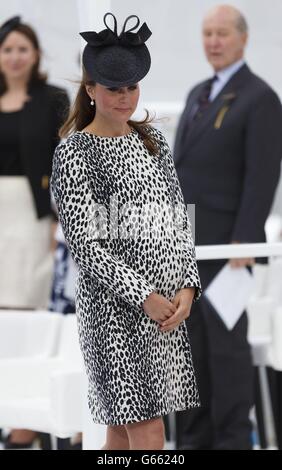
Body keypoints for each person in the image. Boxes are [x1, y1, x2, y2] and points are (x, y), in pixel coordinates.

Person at [51, 13, 201, 450]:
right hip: (115, 314)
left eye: (131, 87)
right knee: (149, 430)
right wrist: (144, 296)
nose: (124, 98)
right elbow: (87, 246)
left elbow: (178, 220)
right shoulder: (75, 152)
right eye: (114, 88)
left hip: (166, 308)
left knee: (123, 430)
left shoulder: (152, 141)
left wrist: (187, 289)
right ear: (91, 90)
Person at [174, 5, 282, 450]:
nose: (213, 42)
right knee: (189, 352)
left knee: (226, 351)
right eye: (207, 34)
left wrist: (246, 238)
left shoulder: (259, 97)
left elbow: (263, 175)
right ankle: (193, 441)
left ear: (242, 38)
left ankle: (234, 440)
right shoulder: (199, 92)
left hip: (227, 249)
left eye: (221, 33)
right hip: (188, 246)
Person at [0, 16, 69, 448]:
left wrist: (58, 222)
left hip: (32, 218)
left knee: (26, 315)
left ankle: (27, 416)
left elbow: (65, 165)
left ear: (36, 54)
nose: (14, 56)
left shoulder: (53, 100)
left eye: (22, 48)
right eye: (7, 49)